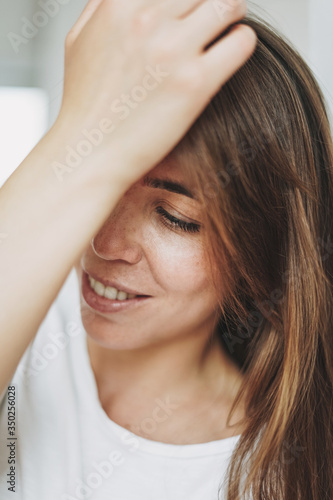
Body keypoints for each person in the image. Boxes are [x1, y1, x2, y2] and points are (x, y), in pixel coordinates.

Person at [0, 0, 332, 499]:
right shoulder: (27, 316)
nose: (103, 244)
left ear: (258, 255)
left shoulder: (276, 475)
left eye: (175, 218)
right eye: (105, 191)